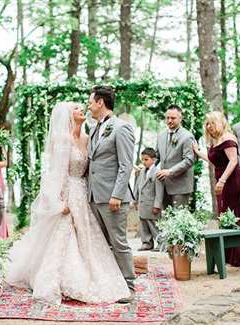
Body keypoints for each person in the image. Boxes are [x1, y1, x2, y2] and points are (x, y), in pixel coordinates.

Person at [5, 102, 130, 305]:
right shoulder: (62, 140)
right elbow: (55, 173)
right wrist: (58, 201)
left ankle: (96, 275)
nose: (82, 110)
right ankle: (61, 279)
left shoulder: (88, 138)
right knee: (65, 236)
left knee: (87, 237)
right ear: (67, 116)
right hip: (68, 193)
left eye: (82, 107)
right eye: (76, 109)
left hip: (85, 192)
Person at [87, 86, 135, 303]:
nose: (88, 105)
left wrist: (117, 194)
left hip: (113, 197)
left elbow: (126, 165)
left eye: (90, 101)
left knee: (119, 242)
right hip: (94, 196)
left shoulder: (121, 127)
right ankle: (111, 283)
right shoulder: (95, 128)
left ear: (100, 102)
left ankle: (129, 284)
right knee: (102, 243)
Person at [193, 111, 240, 267]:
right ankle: (227, 253)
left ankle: (239, 256)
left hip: (231, 181)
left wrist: (222, 181)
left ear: (219, 122)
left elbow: (233, 161)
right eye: (207, 124)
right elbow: (215, 160)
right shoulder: (216, 140)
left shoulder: (228, 138)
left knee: (232, 215)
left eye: (211, 123)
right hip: (222, 180)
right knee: (224, 214)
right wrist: (199, 153)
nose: (209, 127)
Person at [156, 105, 195, 208]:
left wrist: (170, 171)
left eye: (173, 118)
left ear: (180, 118)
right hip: (164, 185)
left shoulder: (187, 136)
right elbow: (157, 156)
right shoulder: (161, 135)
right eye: (167, 118)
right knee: (166, 219)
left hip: (180, 187)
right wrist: (146, 165)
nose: (169, 120)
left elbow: (189, 160)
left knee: (179, 220)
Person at [133, 147, 163, 251]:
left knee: (154, 224)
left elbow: (159, 191)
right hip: (142, 204)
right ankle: (146, 242)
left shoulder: (157, 172)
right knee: (143, 224)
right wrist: (135, 200)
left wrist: (157, 205)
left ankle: (161, 242)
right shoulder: (141, 172)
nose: (144, 162)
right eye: (142, 159)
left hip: (152, 204)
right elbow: (138, 186)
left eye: (146, 159)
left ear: (154, 160)